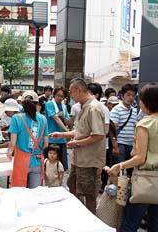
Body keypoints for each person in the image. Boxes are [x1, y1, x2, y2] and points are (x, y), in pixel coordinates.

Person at [105, 83, 158, 231]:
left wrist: (119, 166)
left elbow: (140, 157)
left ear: (146, 102)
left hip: (145, 180)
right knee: (157, 224)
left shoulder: (145, 124)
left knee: (130, 223)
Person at [50, 78, 105, 214]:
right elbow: (81, 131)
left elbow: (98, 135)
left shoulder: (93, 107)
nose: (71, 96)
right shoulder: (84, 106)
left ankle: (90, 221)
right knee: (73, 186)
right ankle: (77, 214)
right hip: (79, 159)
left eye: (71, 92)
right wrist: (63, 135)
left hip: (89, 160)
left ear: (78, 90)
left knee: (89, 194)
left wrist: (77, 143)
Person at [7, 91, 49, 188]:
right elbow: (46, 144)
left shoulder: (16, 118)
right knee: (35, 193)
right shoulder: (43, 119)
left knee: (19, 192)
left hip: (21, 160)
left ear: (22, 104)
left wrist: (9, 152)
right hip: (37, 160)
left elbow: (12, 143)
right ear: (37, 104)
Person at [109, 84, 138, 165]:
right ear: (122, 96)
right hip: (120, 144)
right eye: (128, 95)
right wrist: (115, 146)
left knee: (129, 169)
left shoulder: (135, 111)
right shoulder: (116, 110)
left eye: (133, 95)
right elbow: (112, 129)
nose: (131, 97)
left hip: (131, 145)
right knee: (118, 169)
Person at [45, 87, 70, 170]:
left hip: (61, 139)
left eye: (62, 96)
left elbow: (68, 122)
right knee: (48, 165)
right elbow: (55, 118)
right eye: (58, 95)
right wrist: (67, 131)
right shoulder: (49, 104)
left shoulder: (64, 107)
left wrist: (62, 115)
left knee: (62, 166)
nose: (60, 98)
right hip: (51, 138)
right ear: (54, 95)